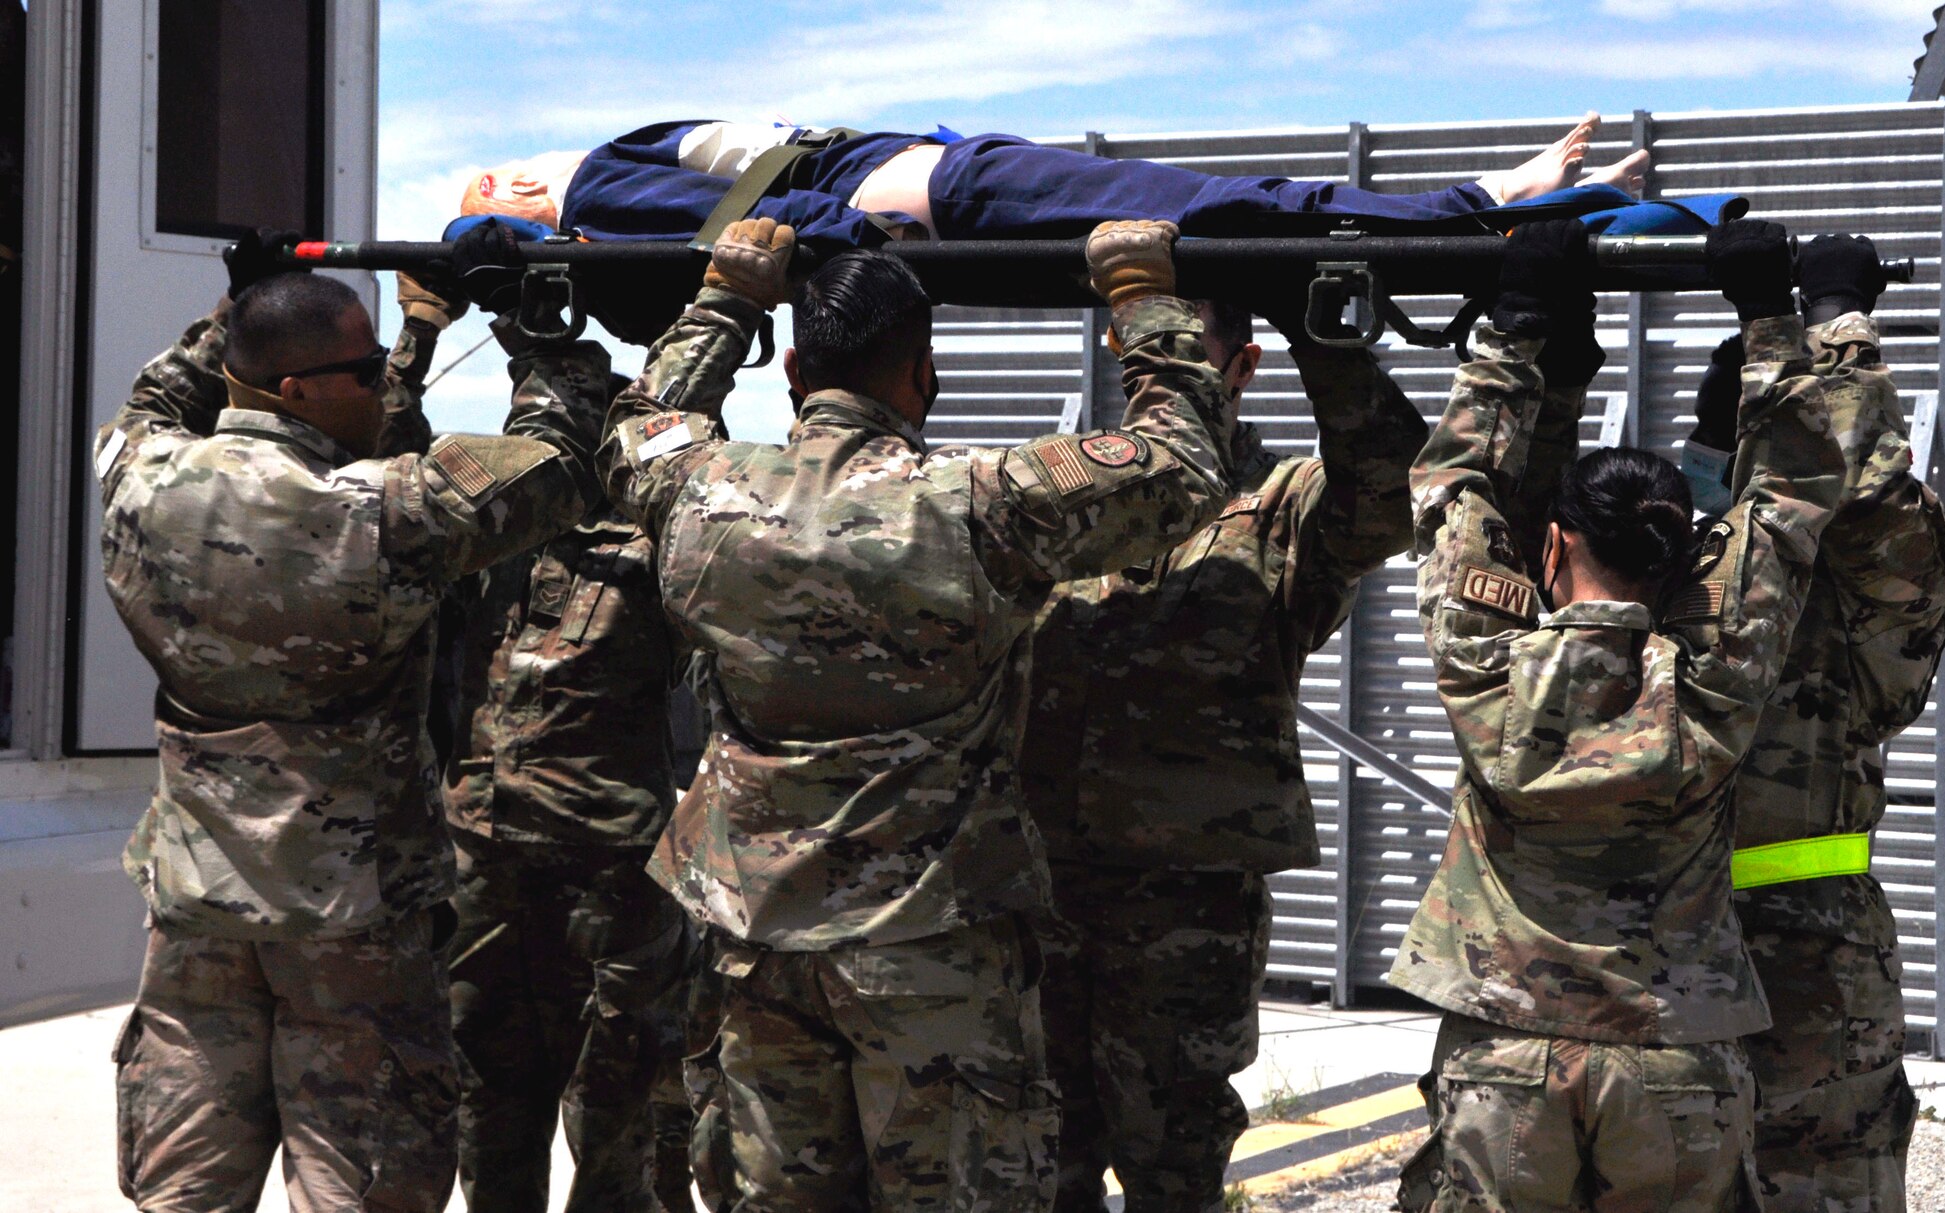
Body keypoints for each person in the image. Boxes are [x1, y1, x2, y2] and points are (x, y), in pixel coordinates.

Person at [599, 215, 1234, 1209]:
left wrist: (725, 297)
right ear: (923, 374)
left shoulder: (700, 490)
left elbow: (638, 423)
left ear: (795, 368)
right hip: (927, 942)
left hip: (755, 941)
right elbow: (1180, 466)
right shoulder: (975, 501)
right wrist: (1142, 297)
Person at [99, 227, 611, 1213]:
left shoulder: (136, 476)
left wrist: (234, 310)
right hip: (352, 928)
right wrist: (533, 321)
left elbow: (156, 399)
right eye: (367, 369)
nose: (386, 385)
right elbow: (559, 460)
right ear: (297, 394)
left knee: (182, 1191)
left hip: (198, 908)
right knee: (362, 1188)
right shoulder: (377, 515)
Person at [1386, 218, 1848, 1213]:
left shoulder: (1483, 667)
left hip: (1503, 1050)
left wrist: (1516, 333)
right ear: (1681, 567)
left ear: (1547, 553)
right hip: (1672, 1053)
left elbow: (1451, 484)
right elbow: (1791, 497)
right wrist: (1769, 322)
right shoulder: (1714, 672)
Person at [1021, 292, 1428, 1210]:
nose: (1151, 366)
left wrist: (1319, 333)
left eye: (1182, 347)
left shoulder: (1280, 508)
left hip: (1185, 908)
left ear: (1240, 368)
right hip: (1039, 890)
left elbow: (1394, 483)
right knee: (1033, 1157)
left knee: (1176, 1165)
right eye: (1135, 344)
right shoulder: (1059, 495)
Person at [1681, 237, 1945, 1211]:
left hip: (1649, 950)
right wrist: (1833, 319)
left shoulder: (1628, 581)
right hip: (1803, 960)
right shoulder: (1844, 617)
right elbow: (1869, 494)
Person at [436, 492, 702, 1213]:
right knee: (492, 1100)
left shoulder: (655, 548)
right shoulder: (484, 537)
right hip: (495, 872)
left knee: (618, 1111)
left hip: (605, 880)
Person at [462, 114, 1649, 244]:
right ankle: (1477, 206)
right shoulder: (599, 188)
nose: (511, 174)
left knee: (1220, 213)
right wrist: (854, 238)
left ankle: (1474, 210)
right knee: (1219, 214)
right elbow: (759, 213)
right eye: (495, 183)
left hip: (949, 185)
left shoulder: (607, 183)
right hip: (946, 192)